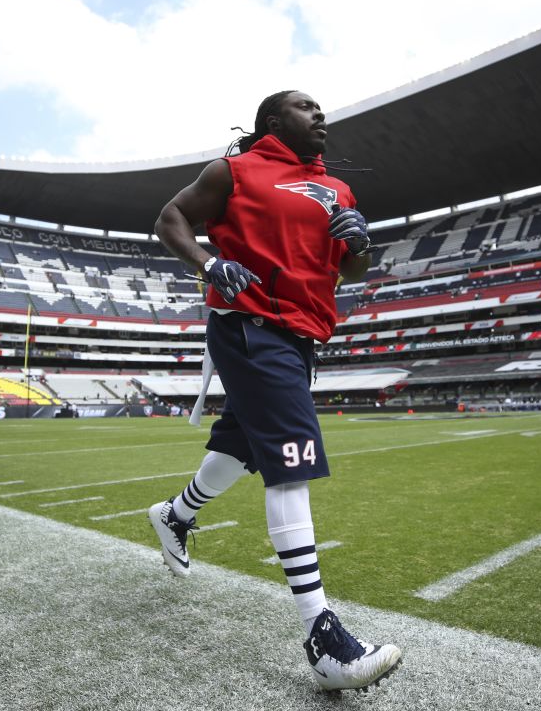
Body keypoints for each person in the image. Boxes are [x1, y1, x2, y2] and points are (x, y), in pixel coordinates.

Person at [145, 90, 400, 692]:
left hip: (302, 334)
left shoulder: (338, 190)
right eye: (307, 107)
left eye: (321, 109)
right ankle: (323, 639)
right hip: (249, 323)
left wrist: (360, 244)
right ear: (272, 121)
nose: (321, 116)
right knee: (290, 463)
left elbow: (350, 269)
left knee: (243, 446)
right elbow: (169, 219)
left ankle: (175, 516)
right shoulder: (233, 171)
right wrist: (208, 264)